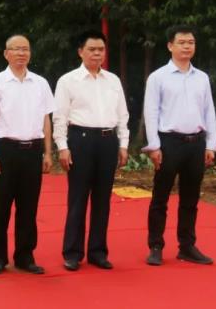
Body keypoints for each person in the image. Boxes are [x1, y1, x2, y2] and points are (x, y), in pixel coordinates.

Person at [143, 25, 216, 266]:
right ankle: (156, 246)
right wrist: (154, 146)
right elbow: (151, 112)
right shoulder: (158, 77)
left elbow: (209, 111)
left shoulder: (202, 78)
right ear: (170, 46)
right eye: (182, 42)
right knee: (160, 197)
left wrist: (211, 145)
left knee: (190, 198)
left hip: (196, 143)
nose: (187, 46)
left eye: (191, 42)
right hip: (169, 142)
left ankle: (187, 246)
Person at [53, 30, 129, 271]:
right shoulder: (68, 81)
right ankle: (73, 252)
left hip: (108, 141)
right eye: (92, 49)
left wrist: (123, 144)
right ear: (80, 52)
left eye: (101, 49)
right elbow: (60, 117)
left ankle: (98, 252)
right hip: (80, 140)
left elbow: (122, 115)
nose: (97, 53)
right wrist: (62, 147)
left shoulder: (113, 80)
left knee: (103, 199)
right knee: (78, 198)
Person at [0, 35, 54, 275]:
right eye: (16, 49)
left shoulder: (40, 83)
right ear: (6, 53)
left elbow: (46, 119)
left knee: (28, 208)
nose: (21, 53)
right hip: (5, 151)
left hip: (32, 150)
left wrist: (48, 152)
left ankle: (25, 256)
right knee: (0, 207)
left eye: (25, 49)